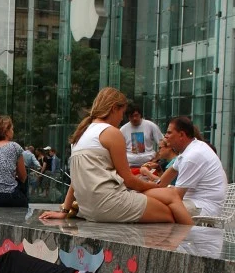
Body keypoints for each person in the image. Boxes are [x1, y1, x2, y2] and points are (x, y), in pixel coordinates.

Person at [40, 88, 193, 225]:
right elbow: (128, 180)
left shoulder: (79, 136)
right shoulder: (110, 132)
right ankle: (195, 244)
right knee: (170, 211)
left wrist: (64, 211)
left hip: (88, 208)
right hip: (111, 203)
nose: (122, 119)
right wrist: (156, 186)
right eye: (121, 113)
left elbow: (75, 181)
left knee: (168, 196)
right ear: (114, 108)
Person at [163, 116, 227, 217]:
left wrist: (147, 195)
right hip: (194, 202)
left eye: (169, 132)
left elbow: (176, 197)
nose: (165, 136)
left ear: (181, 134)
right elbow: (161, 182)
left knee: (157, 209)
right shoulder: (189, 150)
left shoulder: (192, 156)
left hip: (203, 207)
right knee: (154, 205)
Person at [120, 104, 163, 168]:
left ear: (140, 115)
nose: (134, 118)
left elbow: (163, 143)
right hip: (130, 165)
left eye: (136, 115)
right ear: (128, 117)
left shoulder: (151, 125)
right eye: (131, 116)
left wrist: (156, 159)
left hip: (149, 163)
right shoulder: (123, 130)